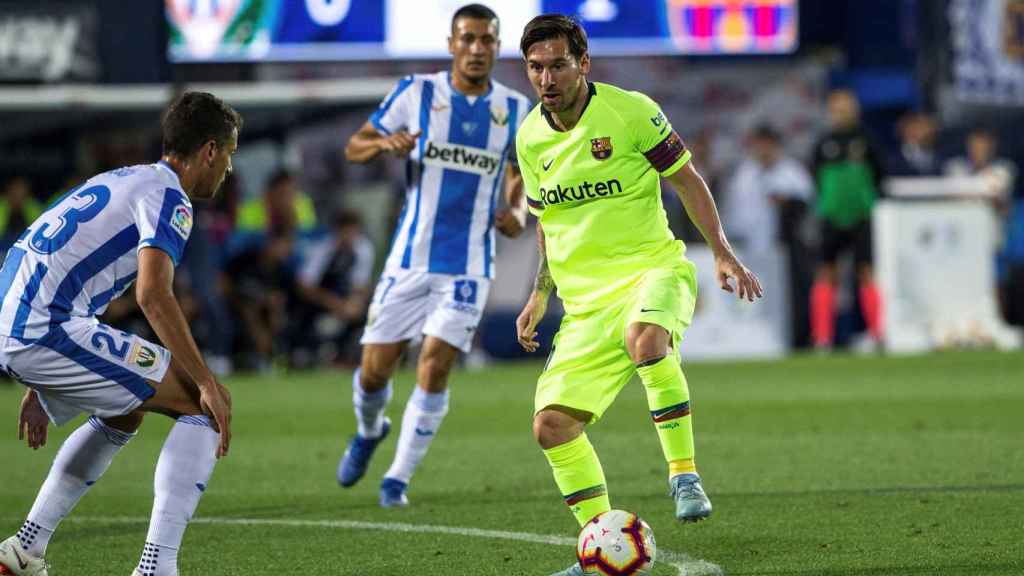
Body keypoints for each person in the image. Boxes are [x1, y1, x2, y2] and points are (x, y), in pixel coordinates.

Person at [512, 15, 762, 576]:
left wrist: (720, 251)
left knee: (646, 339)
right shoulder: (529, 138)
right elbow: (547, 222)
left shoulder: (631, 112)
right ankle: (599, 547)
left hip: (653, 271)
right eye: (536, 68)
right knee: (550, 425)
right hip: (584, 305)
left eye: (557, 64)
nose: (546, 78)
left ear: (583, 63)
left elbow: (686, 178)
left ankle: (684, 475)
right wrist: (538, 293)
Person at [0, 92, 238, 576]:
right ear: (209, 151)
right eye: (229, 155)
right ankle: (156, 568)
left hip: (22, 320)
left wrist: (38, 374)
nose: (228, 170)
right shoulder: (169, 196)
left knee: (125, 407)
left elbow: (49, 255)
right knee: (200, 405)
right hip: (45, 328)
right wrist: (208, 380)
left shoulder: (121, 178)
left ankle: (26, 548)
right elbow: (154, 295)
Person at [338, 3, 532, 508]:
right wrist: (385, 143)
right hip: (409, 260)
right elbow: (354, 146)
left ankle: (396, 479)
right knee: (375, 371)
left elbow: (518, 177)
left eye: (486, 40)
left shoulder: (514, 109)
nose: (476, 48)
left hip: (469, 265)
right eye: (467, 38)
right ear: (451, 44)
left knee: (434, 365)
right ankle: (369, 428)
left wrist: (518, 211)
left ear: (496, 46)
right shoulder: (417, 92)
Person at [809, 89, 886, 351]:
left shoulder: (867, 141)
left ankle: (876, 335)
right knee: (826, 273)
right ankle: (822, 339)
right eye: (836, 109)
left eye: (845, 108)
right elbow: (816, 178)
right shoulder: (823, 143)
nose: (841, 113)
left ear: (855, 111)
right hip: (831, 217)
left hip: (861, 217)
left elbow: (879, 176)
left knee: (866, 273)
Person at [725, 123, 814, 347]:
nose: (763, 150)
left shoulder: (791, 172)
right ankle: (758, 341)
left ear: (776, 146)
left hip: (786, 249)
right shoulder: (744, 175)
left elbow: (808, 204)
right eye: (759, 145)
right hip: (751, 248)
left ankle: (797, 340)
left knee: (791, 296)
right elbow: (734, 210)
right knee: (754, 298)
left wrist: (787, 203)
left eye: (767, 145)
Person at [291, 210, 375, 368]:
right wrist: (333, 304)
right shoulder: (322, 249)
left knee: (367, 312)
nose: (350, 237)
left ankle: (349, 357)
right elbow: (304, 286)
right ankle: (305, 354)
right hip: (320, 301)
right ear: (337, 231)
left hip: (345, 300)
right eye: (346, 232)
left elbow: (360, 285)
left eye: (353, 232)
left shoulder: (363, 249)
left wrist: (353, 304)